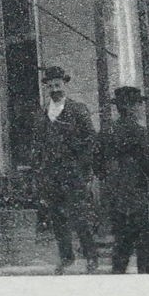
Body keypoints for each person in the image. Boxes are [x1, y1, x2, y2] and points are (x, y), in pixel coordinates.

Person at [30, 66, 99, 274]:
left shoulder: (78, 110)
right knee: (57, 218)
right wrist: (39, 171)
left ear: (65, 84)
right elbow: (37, 145)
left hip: (73, 173)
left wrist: (83, 167)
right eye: (50, 86)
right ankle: (66, 258)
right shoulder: (42, 114)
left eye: (58, 85)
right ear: (46, 88)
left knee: (80, 217)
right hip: (51, 175)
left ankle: (91, 257)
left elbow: (90, 140)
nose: (54, 89)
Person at [100, 86, 149, 274]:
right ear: (130, 107)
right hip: (137, 194)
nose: (141, 108)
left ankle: (118, 281)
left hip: (116, 195)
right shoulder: (139, 133)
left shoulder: (108, 133)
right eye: (138, 104)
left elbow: (98, 163)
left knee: (122, 244)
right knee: (145, 246)